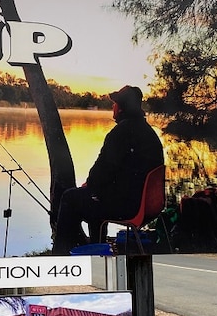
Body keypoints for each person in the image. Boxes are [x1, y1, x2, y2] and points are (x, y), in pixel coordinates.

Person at [52, 85, 164, 255]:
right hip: (148, 205)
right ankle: (97, 248)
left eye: (115, 104)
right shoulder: (148, 132)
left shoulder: (121, 132)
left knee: (69, 198)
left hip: (128, 207)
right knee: (94, 196)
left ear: (120, 108)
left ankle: (60, 256)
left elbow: (100, 173)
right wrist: (93, 187)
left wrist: (89, 185)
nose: (113, 107)